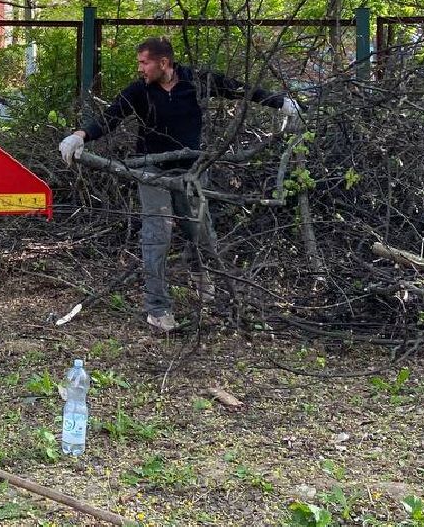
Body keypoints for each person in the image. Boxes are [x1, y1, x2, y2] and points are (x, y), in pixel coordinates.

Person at [58, 36, 301, 332]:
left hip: (191, 170)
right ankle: (158, 309)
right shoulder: (139, 91)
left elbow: (238, 89)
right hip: (151, 170)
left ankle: (202, 277)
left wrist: (280, 103)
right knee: (157, 234)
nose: (140, 68)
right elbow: (112, 117)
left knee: (200, 232)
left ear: (164, 63)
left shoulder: (196, 81)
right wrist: (80, 136)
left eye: (144, 62)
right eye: (139, 63)